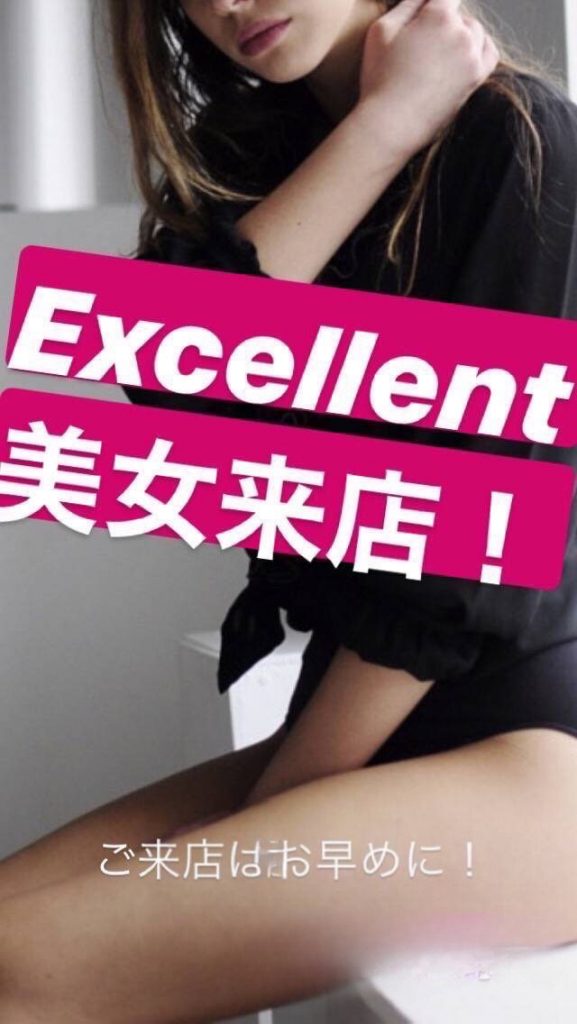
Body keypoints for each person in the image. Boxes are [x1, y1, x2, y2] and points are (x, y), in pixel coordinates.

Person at [1, 2, 577, 1022]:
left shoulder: (516, 139)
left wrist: (270, 806)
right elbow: (167, 377)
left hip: (525, 753)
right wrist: (384, 123)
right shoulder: (266, 150)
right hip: (369, 725)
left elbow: (456, 576)